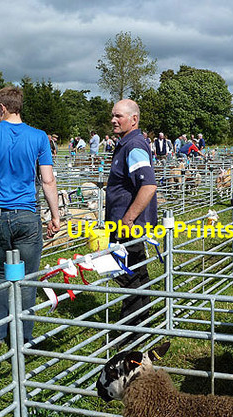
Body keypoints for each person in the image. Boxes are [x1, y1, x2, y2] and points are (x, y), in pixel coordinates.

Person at [0, 86, 61, 350]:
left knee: (1, 274)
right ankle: (22, 337)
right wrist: (55, 215)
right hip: (27, 214)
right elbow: (47, 180)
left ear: (2, 108)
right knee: (28, 277)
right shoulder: (39, 137)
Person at [105, 99, 157, 346]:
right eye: (113, 116)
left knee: (128, 276)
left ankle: (131, 332)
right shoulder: (126, 144)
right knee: (136, 273)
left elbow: (147, 185)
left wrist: (128, 218)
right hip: (126, 224)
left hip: (127, 226)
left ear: (133, 119)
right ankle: (141, 324)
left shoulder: (134, 145)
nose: (114, 120)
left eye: (119, 116)